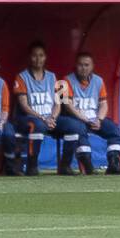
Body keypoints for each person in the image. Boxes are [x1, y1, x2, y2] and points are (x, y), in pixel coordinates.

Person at [13, 40, 79, 175]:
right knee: (38, 125)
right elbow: (24, 105)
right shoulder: (21, 77)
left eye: (41, 55)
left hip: (50, 118)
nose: (38, 59)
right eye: (35, 55)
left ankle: (65, 166)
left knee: (73, 126)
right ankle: (32, 166)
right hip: (28, 118)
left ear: (45, 57)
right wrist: (43, 118)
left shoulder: (52, 77)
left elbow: (57, 103)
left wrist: (53, 117)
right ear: (30, 57)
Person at [61, 52, 120, 174]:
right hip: (76, 119)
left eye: (86, 65)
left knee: (113, 129)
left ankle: (114, 163)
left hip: (94, 118)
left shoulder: (98, 81)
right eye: (80, 65)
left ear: (92, 66)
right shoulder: (67, 80)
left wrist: (99, 119)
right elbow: (68, 105)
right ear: (76, 66)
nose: (83, 68)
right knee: (79, 129)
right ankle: (87, 165)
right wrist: (85, 119)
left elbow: (103, 104)